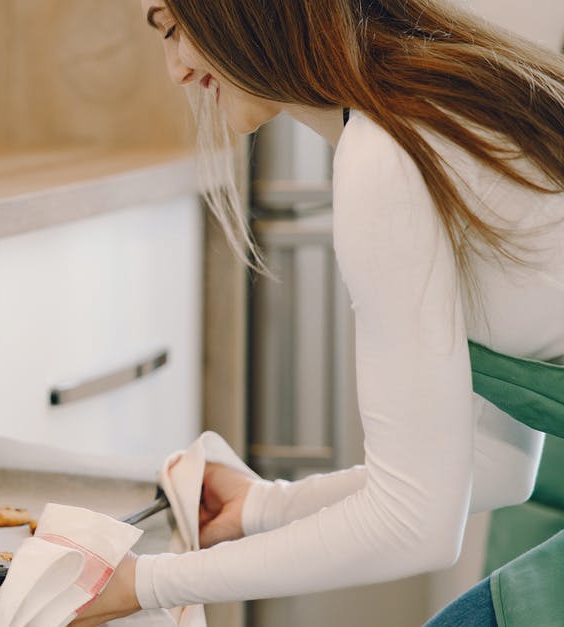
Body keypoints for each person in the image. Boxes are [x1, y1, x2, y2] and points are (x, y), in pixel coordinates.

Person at [70, 1, 564, 625]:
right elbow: (494, 470)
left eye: (174, 29)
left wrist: (144, 584)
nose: (176, 69)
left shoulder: (386, 152)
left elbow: (413, 524)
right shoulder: (436, 102)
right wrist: (262, 507)